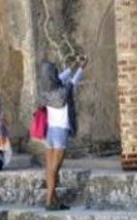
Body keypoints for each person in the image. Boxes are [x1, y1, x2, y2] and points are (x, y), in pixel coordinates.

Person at [40, 57, 86, 210]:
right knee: (54, 169)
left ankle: (54, 201)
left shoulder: (45, 90)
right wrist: (82, 67)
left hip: (50, 133)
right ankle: (48, 201)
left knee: (50, 169)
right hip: (60, 132)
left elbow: (62, 77)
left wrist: (72, 65)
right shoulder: (62, 92)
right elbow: (73, 82)